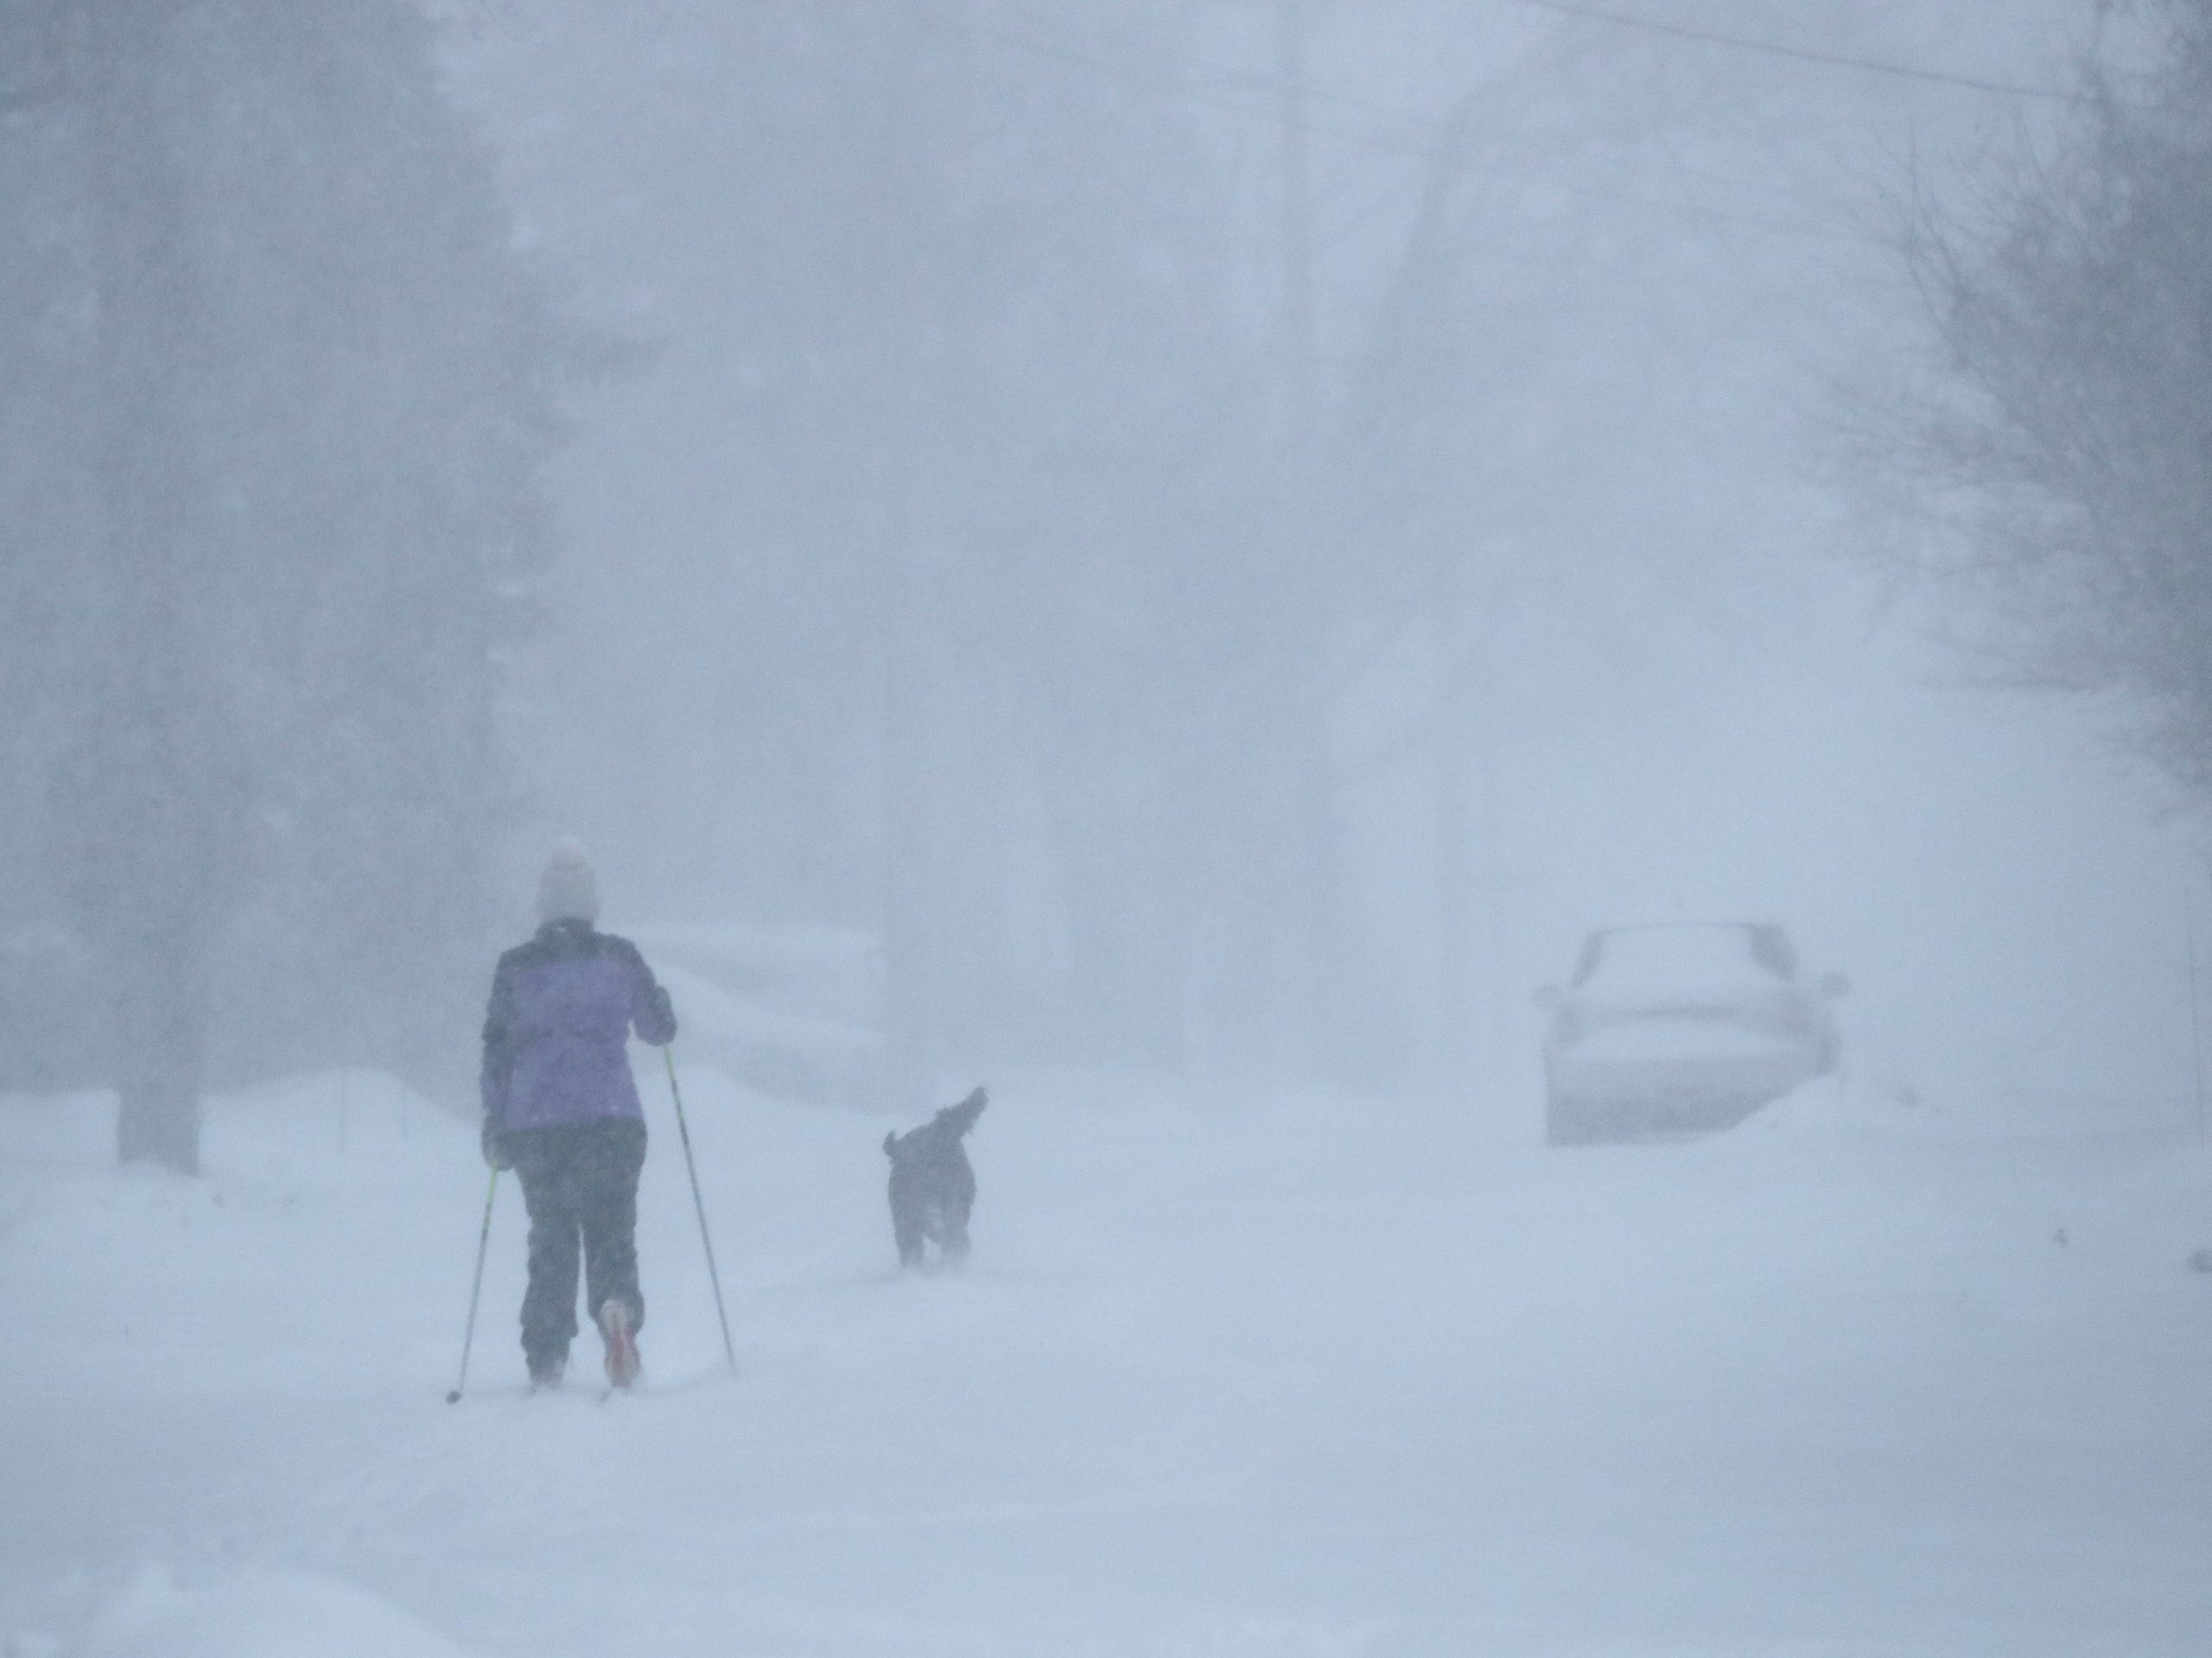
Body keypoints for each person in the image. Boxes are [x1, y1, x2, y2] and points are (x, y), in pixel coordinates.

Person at [479, 841, 676, 1390]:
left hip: (539, 1127)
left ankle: (547, 1354)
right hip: (612, 1119)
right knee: (613, 1229)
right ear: (592, 904)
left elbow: (497, 1050)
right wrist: (660, 1005)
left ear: (542, 904)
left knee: (552, 1237)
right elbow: (657, 1031)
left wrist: (496, 1118)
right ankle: (617, 1309)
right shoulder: (619, 956)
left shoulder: (515, 968)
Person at [882, 1087, 987, 1270]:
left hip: (947, 1186)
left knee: (955, 1221)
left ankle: (955, 1262)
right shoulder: (914, 1151)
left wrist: (973, 1105)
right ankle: (913, 1265)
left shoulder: (952, 1157)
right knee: (909, 1229)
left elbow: (965, 1194)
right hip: (911, 1189)